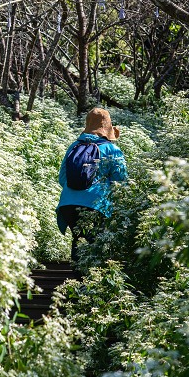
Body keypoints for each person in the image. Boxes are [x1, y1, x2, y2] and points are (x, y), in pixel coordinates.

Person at [56, 107, 128, 263]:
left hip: (68, 203)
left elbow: (62, 178)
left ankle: (77, 281)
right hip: (96, 204)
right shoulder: (112, 149)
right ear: (108, 129)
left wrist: (77, 190)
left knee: (79, 239)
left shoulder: (74, 146)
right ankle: (91, 283)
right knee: (95, 243)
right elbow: (121, 181)